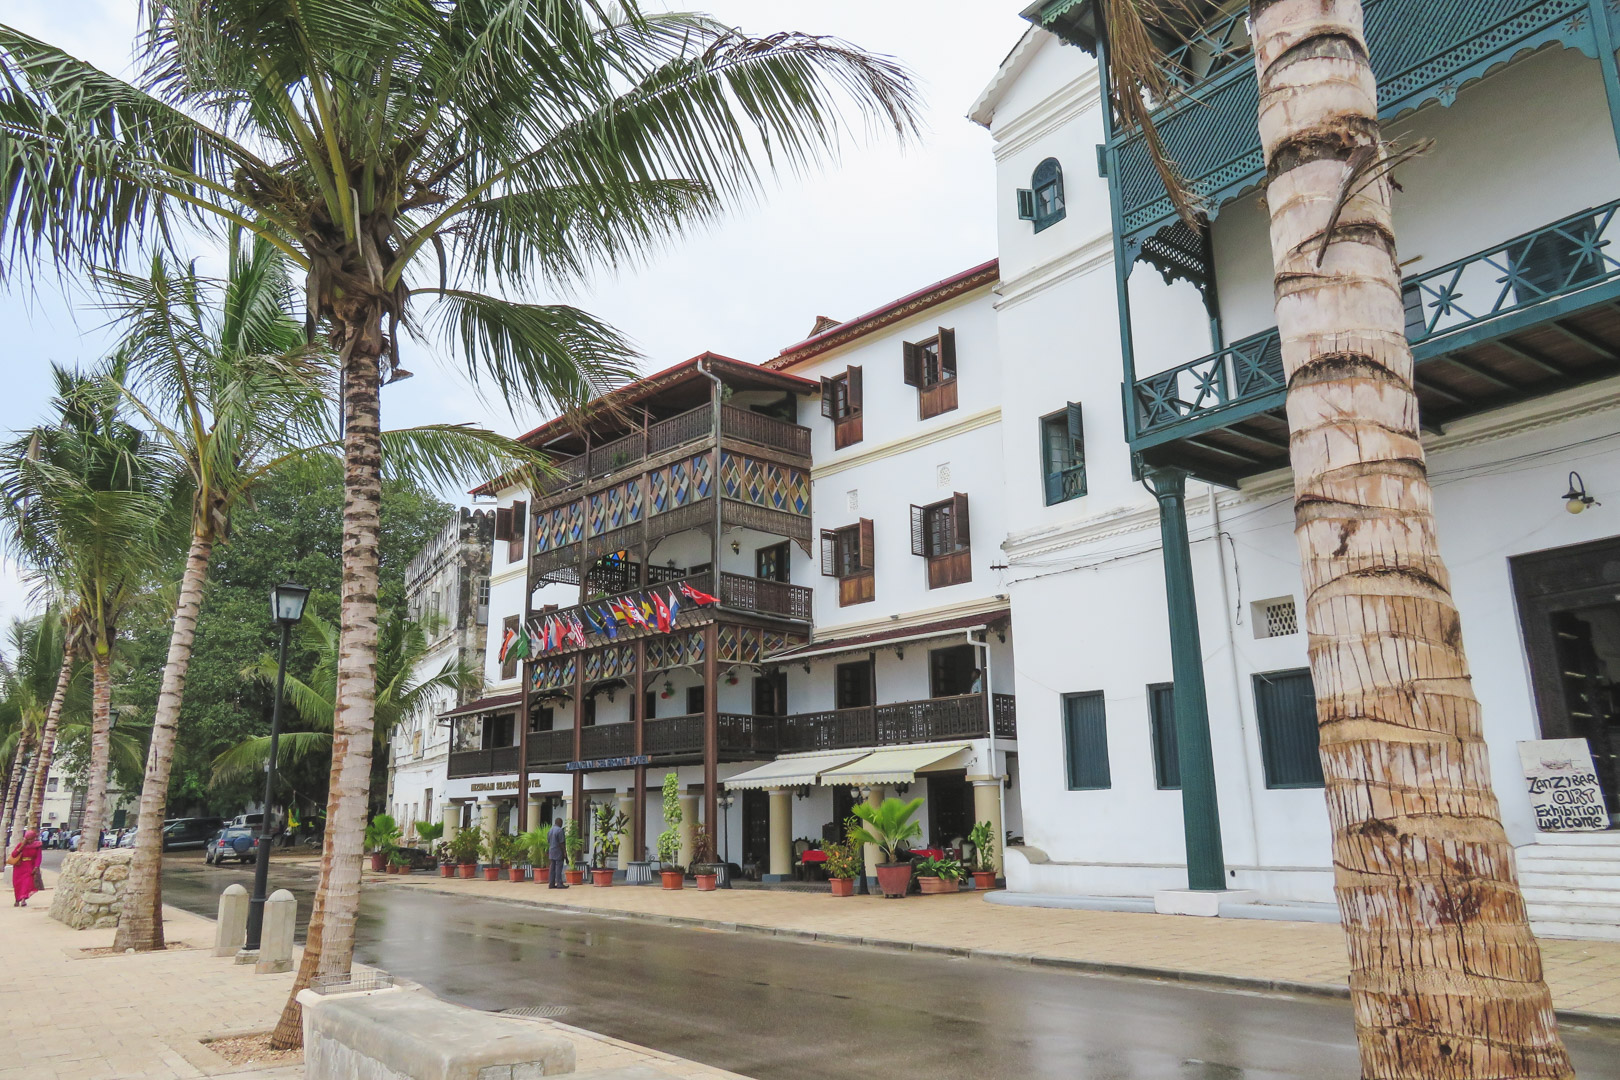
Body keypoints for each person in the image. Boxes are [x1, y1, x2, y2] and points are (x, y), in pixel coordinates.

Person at [8, 828, 44, 907]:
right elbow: (14, 855)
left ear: (34, 838)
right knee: (18, 884)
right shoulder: (21, 845)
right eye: (28, 839)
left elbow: (38, 857)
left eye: (31, 839)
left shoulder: (37, 846)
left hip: (29, 867)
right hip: (19, 867)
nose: (30, 841)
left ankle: (23, 899)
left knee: (26, 883)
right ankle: (17, 899)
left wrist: (36, 866)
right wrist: (22, 846)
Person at [546, 817, 568, 889]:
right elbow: (562, 843)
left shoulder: (550, 830)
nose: (562, 824)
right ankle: (559, 883)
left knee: (552, 868)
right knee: (558, 868)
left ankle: (551, 884)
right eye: (561, 823)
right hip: (558, 851)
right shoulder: (560, 831)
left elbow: (548, 841)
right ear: (559, 823)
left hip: (551, 851)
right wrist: (564, 852)